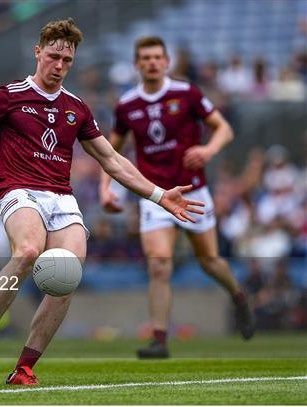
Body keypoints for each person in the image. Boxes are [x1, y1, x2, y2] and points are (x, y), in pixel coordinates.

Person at [0, 20, 204, 385]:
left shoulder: (76, 108)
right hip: (19, 190)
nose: (59, 66)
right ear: (38, 52)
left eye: (67, 60)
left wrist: (158, 195)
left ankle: (25, 367)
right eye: (54, 56)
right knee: (28, 251)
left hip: (61, 198)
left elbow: (112, 160)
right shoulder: (8, 96)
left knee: (67, 274)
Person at [99, 36, 256, 359]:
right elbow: (108, 151)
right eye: (145, 57)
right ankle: (159, 339)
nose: (152, 62)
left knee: (210, 262)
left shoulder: (187, 93)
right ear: (137, 64)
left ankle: (238, 296)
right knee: (159, 265)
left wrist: (208, 149)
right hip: (155, 195)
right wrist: (105, 187)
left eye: (157, 57)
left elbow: (223, 128)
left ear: (167, 61)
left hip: (192, 191)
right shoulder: (127, 104)